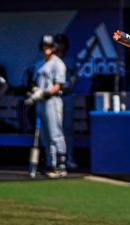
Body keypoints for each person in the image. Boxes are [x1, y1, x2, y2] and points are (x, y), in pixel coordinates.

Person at [25, 34, 67, 178]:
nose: (46, 48)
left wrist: (42, 93)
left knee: (56, 133)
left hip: (52, 101)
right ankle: (51, 164)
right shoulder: (39, 64)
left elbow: (58, 85)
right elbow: (34, 83)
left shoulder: (58, 63)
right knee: (44, 136)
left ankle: (61, 165)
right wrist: (34, 91)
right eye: (44, 46)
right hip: (40, 102)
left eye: (48, 46)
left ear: (53, 47)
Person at [54, 34, 78, 170]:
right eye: (57, 43)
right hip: (54, 98)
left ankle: (69, 158)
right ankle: (56, 160)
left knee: (67, 129)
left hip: (67, 97)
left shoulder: (70, 60)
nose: (60, 46)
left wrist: (69, 83)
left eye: (62, 43)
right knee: (55, 130)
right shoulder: (51, 61)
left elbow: (72, 82)